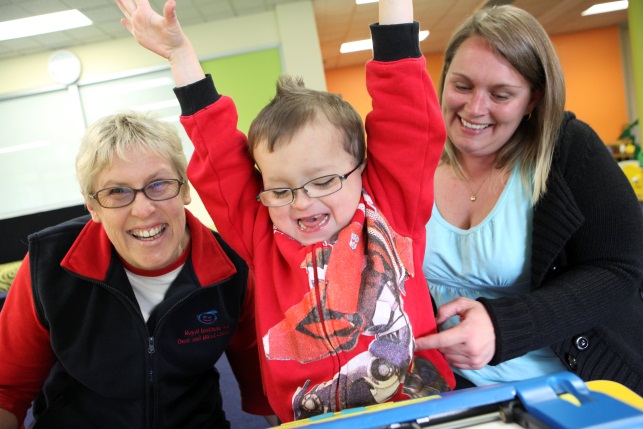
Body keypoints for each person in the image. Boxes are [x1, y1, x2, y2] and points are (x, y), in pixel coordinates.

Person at [116, 0, 455, 422]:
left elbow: (406, 112)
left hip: (419, 411)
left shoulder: (391, 207)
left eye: (324, 181)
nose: (302, 202)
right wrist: (180, 55)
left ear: (361, 171)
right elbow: (219, 155)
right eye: (280, 189)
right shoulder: (260, 235)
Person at [418, 5, 643, 394]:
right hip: (454, 390)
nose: (475, 109)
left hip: (570, 383)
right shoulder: (417, 157)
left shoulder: (569, 150)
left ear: (533, 101)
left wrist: (502, 326)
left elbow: (621, 269)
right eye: (462, 86)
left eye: (501, 94)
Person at [0, 111, 272, 428]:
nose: (143, 210)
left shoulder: (232, 267)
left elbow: (264, 386)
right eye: (117, 192)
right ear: (92, 206)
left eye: (158, 184)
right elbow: (6, 391)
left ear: (185, 190)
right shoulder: (49, 265)